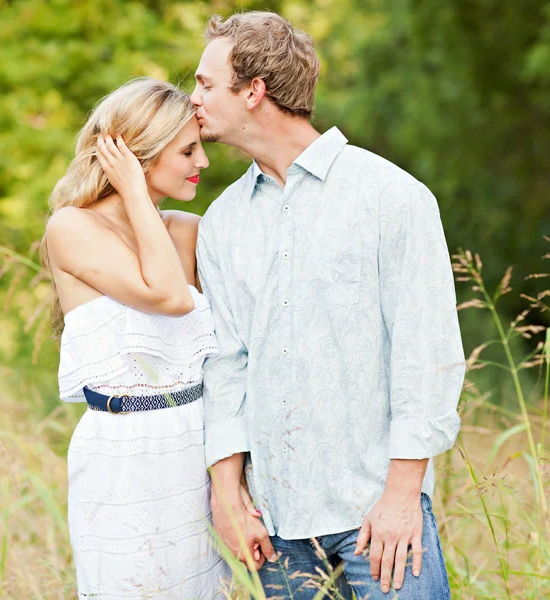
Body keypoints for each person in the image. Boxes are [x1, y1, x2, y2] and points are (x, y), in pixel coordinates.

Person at [191, 11, 465, 599]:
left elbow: (428, 357)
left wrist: (400, 497)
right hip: (277, 527)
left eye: (206, 84)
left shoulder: (392, 197)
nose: (193, 100)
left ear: (254, 91)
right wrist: (227, 490)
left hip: (379, 521)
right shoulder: (223, 222)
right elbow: (226, 362)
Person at [41, 78, 230, 599]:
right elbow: (168, 294)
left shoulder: (187, 230)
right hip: (123, 454)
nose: (203, 163)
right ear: (136, 157)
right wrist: (133, 192)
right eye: (188, 151)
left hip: (197, 441)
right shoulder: (71, 227)